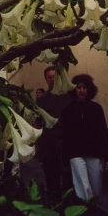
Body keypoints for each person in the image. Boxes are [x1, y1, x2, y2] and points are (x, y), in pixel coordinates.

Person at [60, 74, 108, 202]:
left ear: (89, 90)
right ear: (74, 89)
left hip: (94, 153)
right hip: (75, 154)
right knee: (83, 186)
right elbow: (64, 135)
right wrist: (65, 157)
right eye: (78, 87)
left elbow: (103, 133)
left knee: (96, 188)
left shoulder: (96, 109)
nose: (81, 90)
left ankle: (92, 206)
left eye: (84, 87)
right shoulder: (68, 110)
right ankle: (87, 210)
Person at [36, 66, 71, 202]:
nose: (52, 79)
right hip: (48, 144)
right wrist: (38, 144)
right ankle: (54, 205)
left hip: (66, 143)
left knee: (68, 177)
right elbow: (38, 123)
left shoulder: (68, 97)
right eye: (49, 77)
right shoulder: (41, 100)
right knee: (51, 178)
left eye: (54, 77)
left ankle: (68, 205)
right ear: (46, 80)